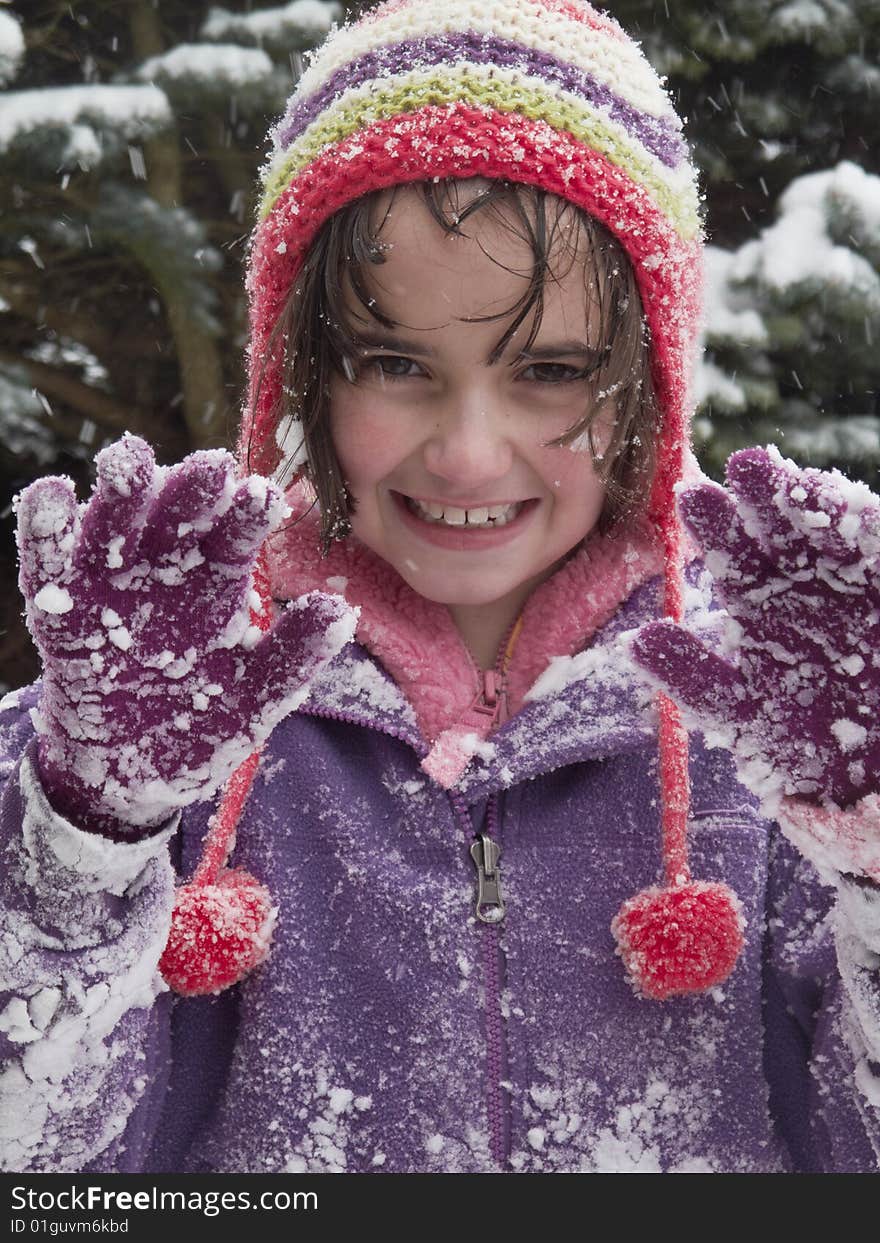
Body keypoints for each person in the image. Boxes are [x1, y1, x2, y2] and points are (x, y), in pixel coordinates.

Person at [2, 0, 880, 1174]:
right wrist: (88, 843)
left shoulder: (775, 744)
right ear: (301, 370)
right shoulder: (142, 732)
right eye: (395, 364)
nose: (468, 453)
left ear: (652, 382)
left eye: (551, 371)